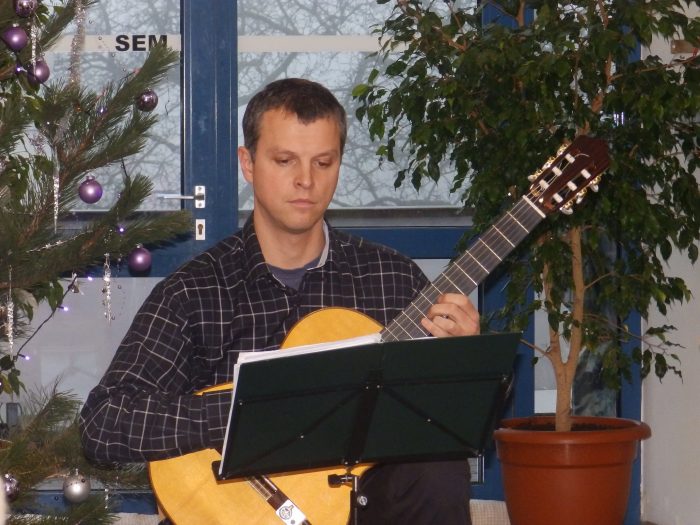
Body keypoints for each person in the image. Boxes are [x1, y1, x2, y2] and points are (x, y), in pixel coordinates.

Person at [79, 78, 479, 524]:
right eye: (285, 160)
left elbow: (451, 424)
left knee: (440, 470)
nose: (306, 180)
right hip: (237, 511)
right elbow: (104, 423)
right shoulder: (194, 291)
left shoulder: (393, 279)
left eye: (323, 162)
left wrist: (464, 366)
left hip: (369, 507)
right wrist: (249, 410)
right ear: (247, 164)